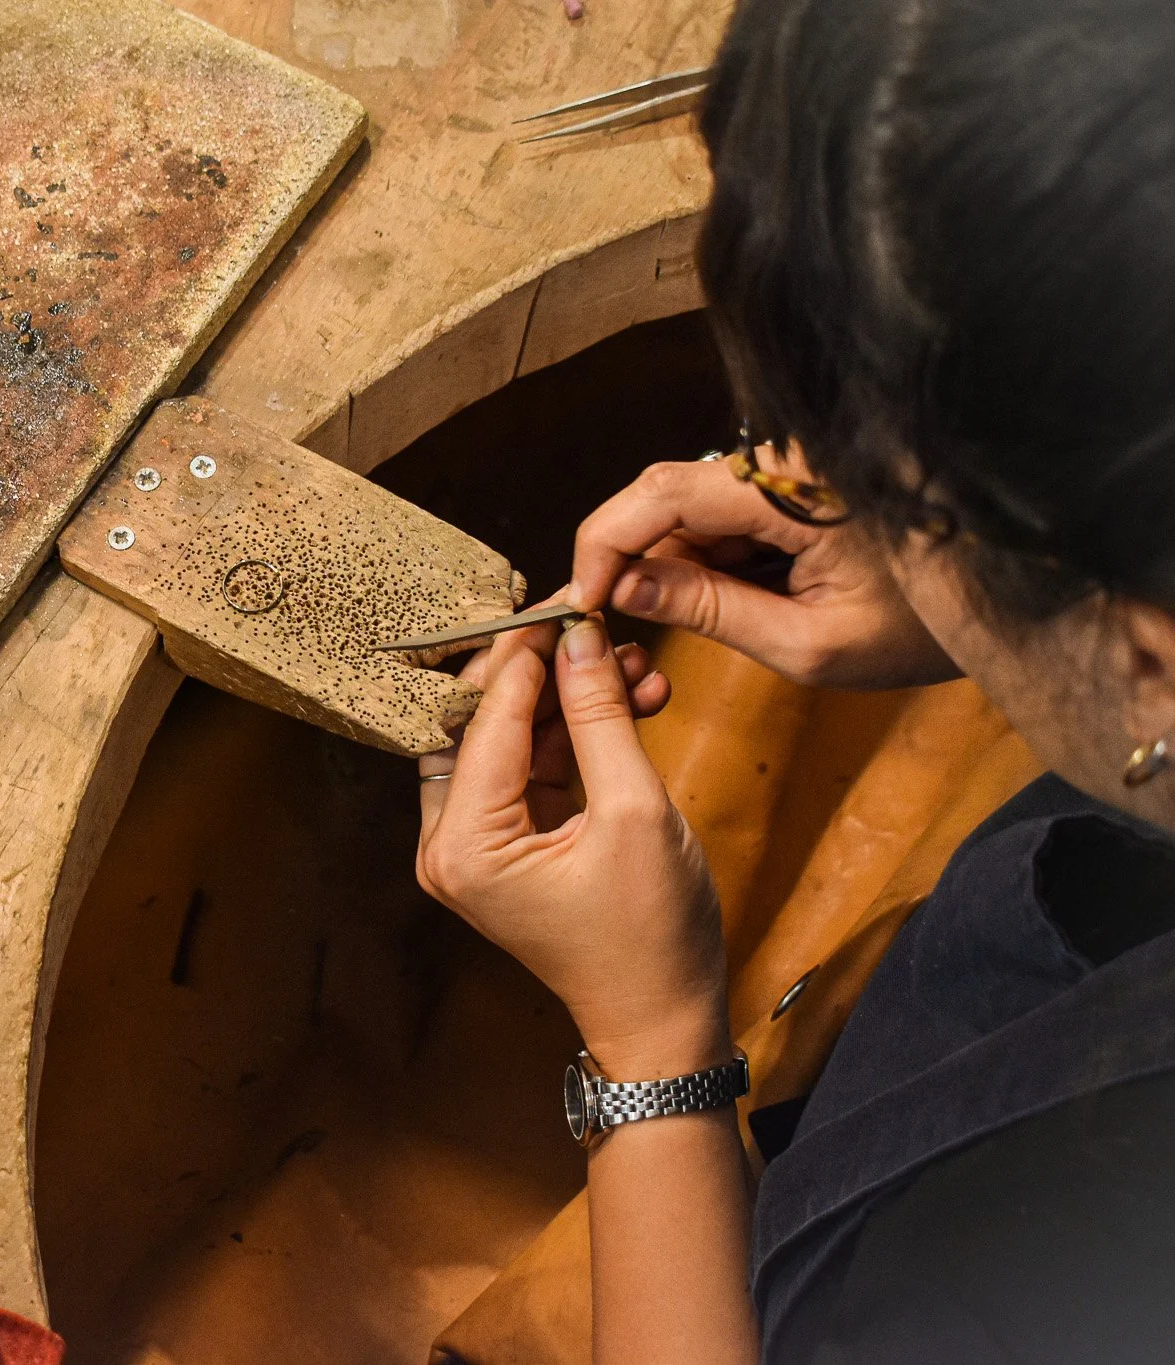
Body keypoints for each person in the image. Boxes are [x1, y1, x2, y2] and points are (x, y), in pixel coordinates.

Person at [411, 0, 1175, 1359]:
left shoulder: (1056, 1263)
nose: (802, 484)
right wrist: (989, 597)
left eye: (861, 475)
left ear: (1148, 657)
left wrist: (650, 1045)